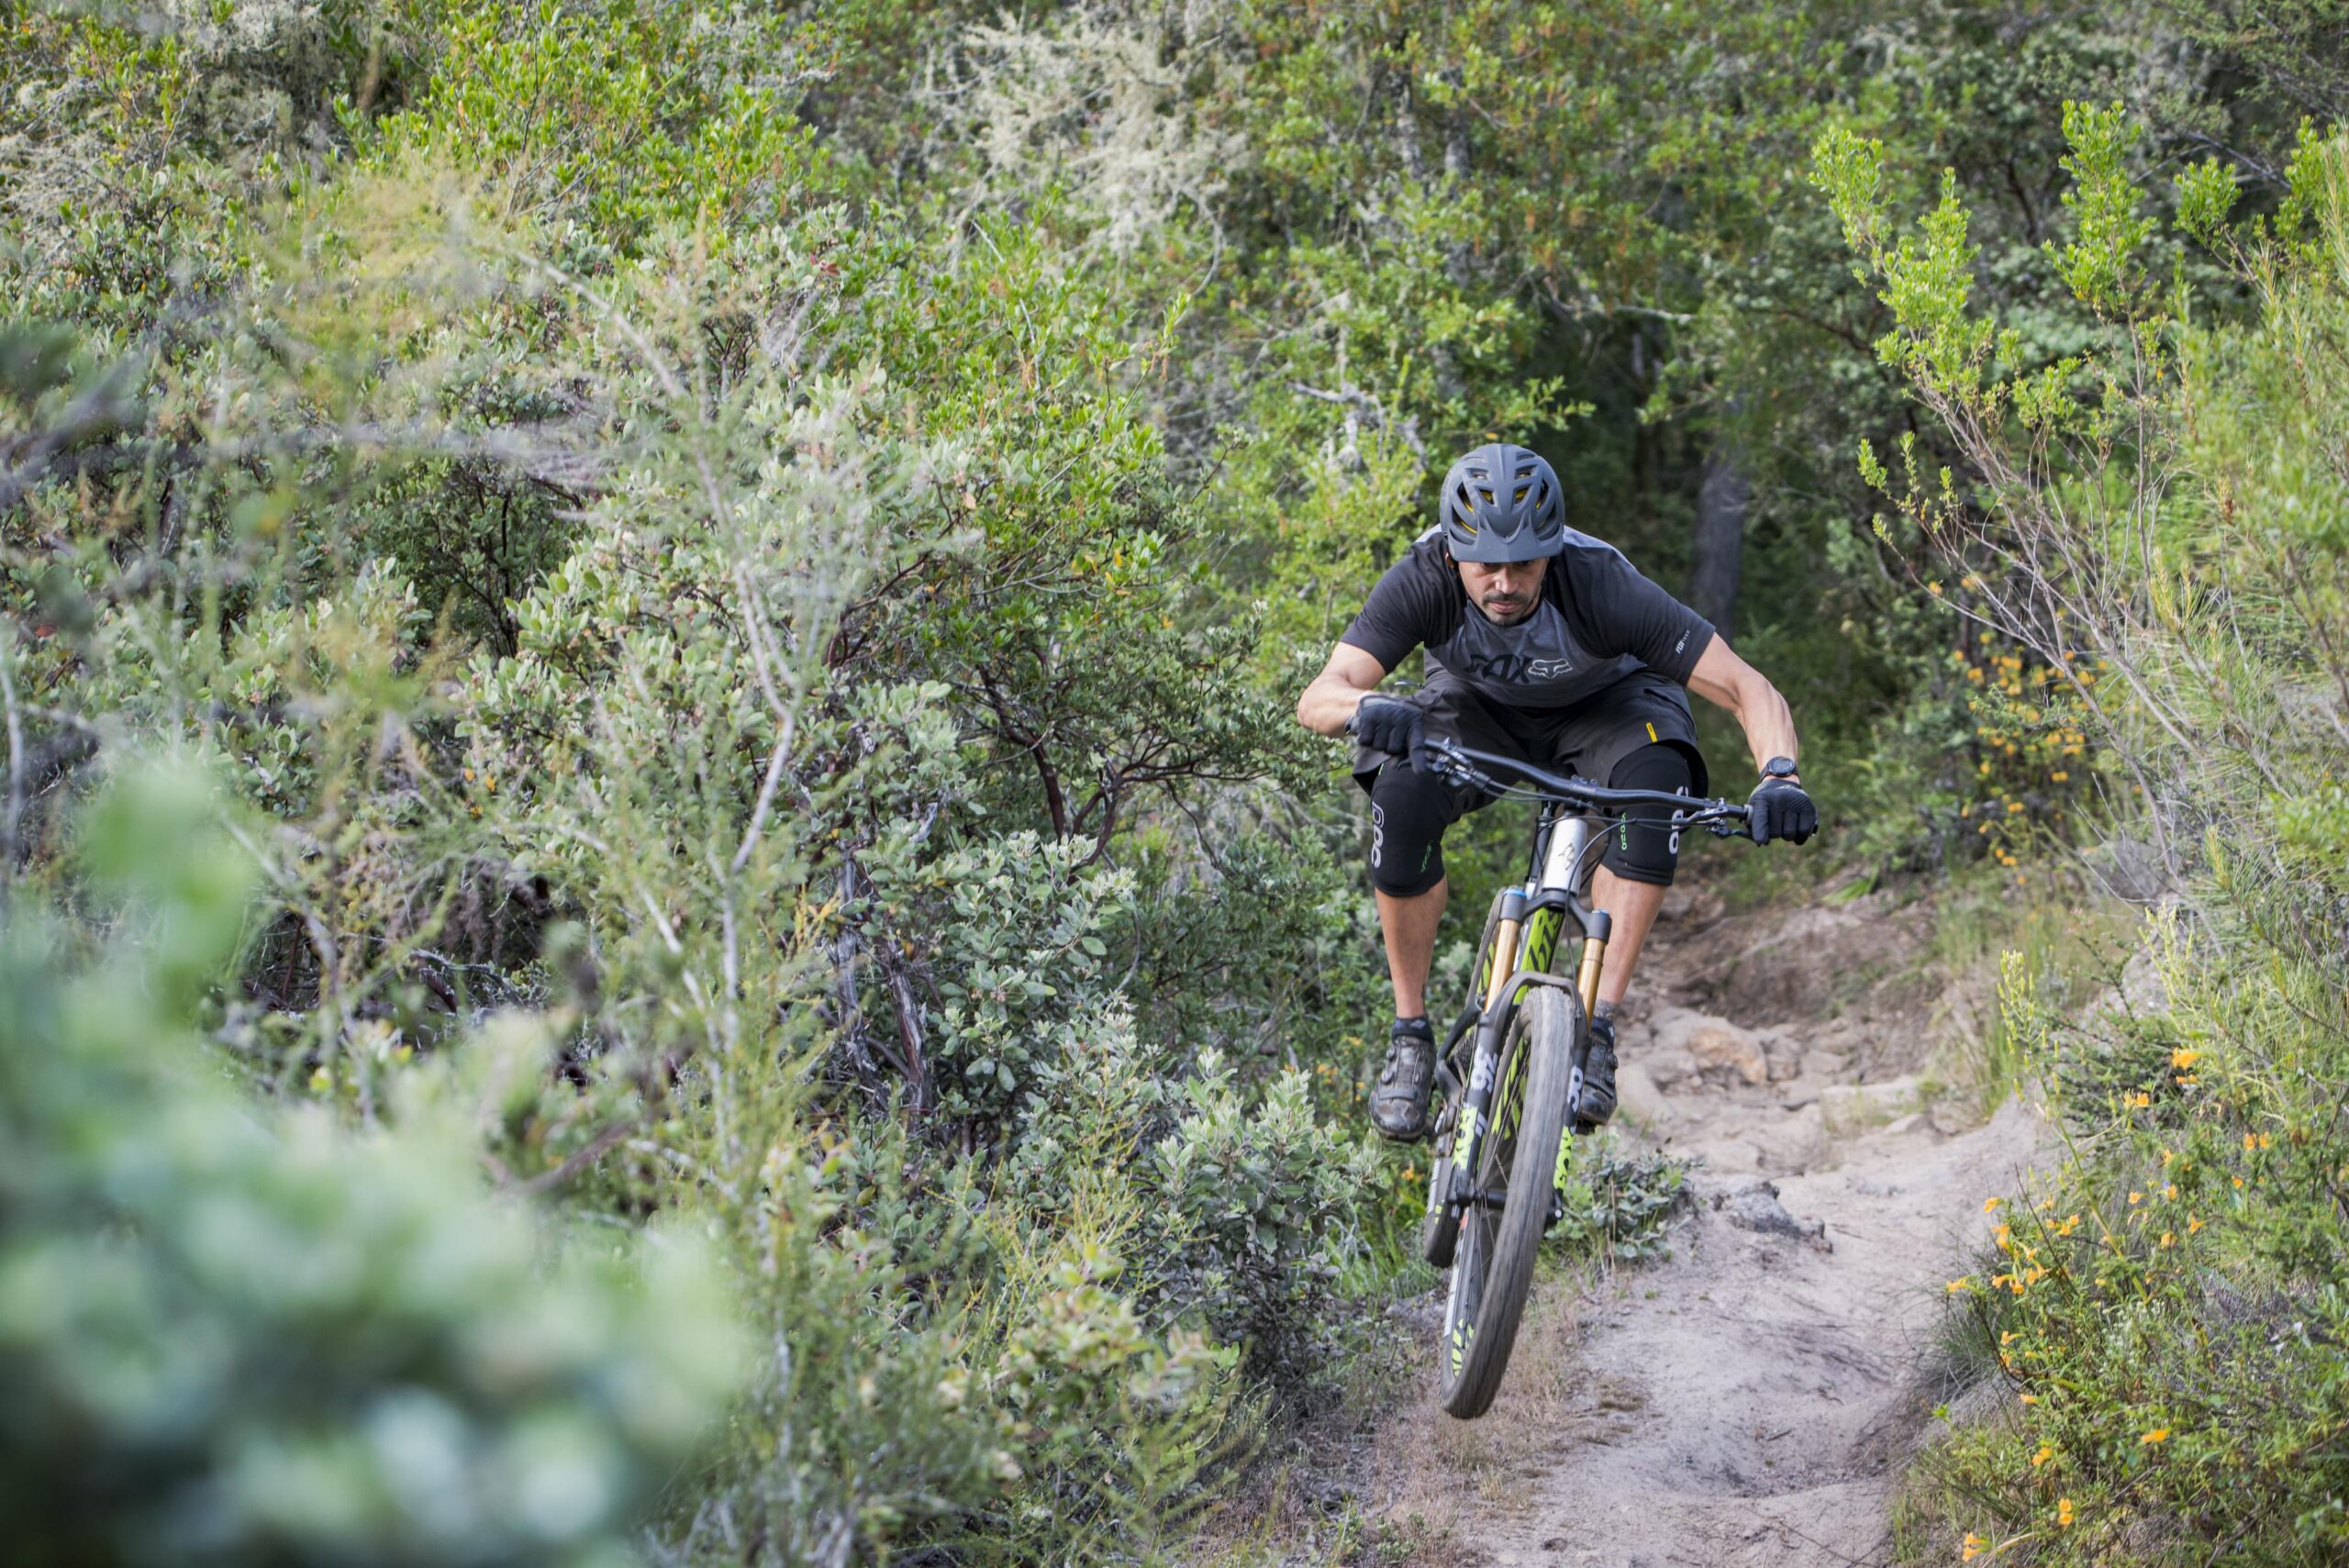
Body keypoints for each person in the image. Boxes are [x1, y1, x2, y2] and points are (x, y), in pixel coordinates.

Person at [1294, 442, 1817, 1140]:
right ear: (1453, 555)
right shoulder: (1422, 577)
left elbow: (1748, 687)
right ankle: (1410, 1034)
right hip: (1479, 706)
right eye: (1487, 566)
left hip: (1612, 707)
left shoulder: (1601, 584)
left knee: (1655, 788)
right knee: (1403, 794)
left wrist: (1779, 772)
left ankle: (1596, 1026)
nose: (1505, 582)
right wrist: (1364, 709)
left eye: (1526, 564)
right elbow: (1320, 695)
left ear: (1552, 552)